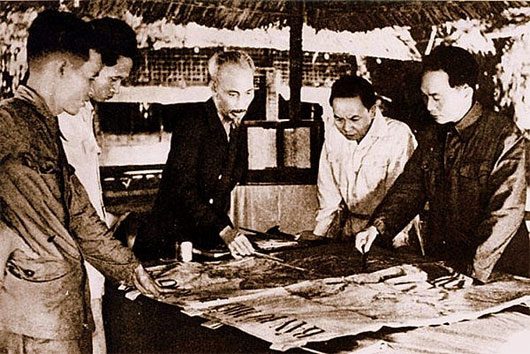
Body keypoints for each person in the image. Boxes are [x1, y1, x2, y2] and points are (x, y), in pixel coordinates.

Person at [0, 10, 165, 353]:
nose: (90, 88)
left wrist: (130, 268)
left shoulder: (44, 126)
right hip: (33, 322)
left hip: (60, 314)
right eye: (89, 76)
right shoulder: (9, 123)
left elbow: (79, 215)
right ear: (62, 70)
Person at [356, 45, 529, 283]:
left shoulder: (504, 136)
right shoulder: (432, 136)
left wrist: (474, 270)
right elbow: (410, 188)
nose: (429, 106)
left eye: (436, 97)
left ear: (465, 92)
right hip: (447, 263)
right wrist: (377, 227)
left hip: (498, 270)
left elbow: (505, 212)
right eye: (425, 97)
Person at [57, 17, 139, 354]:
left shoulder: (85, 112)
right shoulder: (59, 115)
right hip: (71, 267)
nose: (116, 88)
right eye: (113, 78)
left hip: (93, 261)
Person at [134, 50, 256, 260]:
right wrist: (224, 230)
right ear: (214, 88)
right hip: (167, 242)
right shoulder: (192, 123)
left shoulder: (238, 126)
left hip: (207, 240)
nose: (242, 104)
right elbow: (183, 190)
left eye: (248, 93)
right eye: (232, 94)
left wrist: (224, 230)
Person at [299, 76, 418, 245]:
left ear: (372, 111)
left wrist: (399, 243)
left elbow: (403, 198)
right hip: (350, 229)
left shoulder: (397, 135)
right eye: (339, 119)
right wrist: (319, 234)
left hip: (392, 232)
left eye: (354, 119)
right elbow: (328, 193)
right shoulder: (334, 135)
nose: (346, 128)